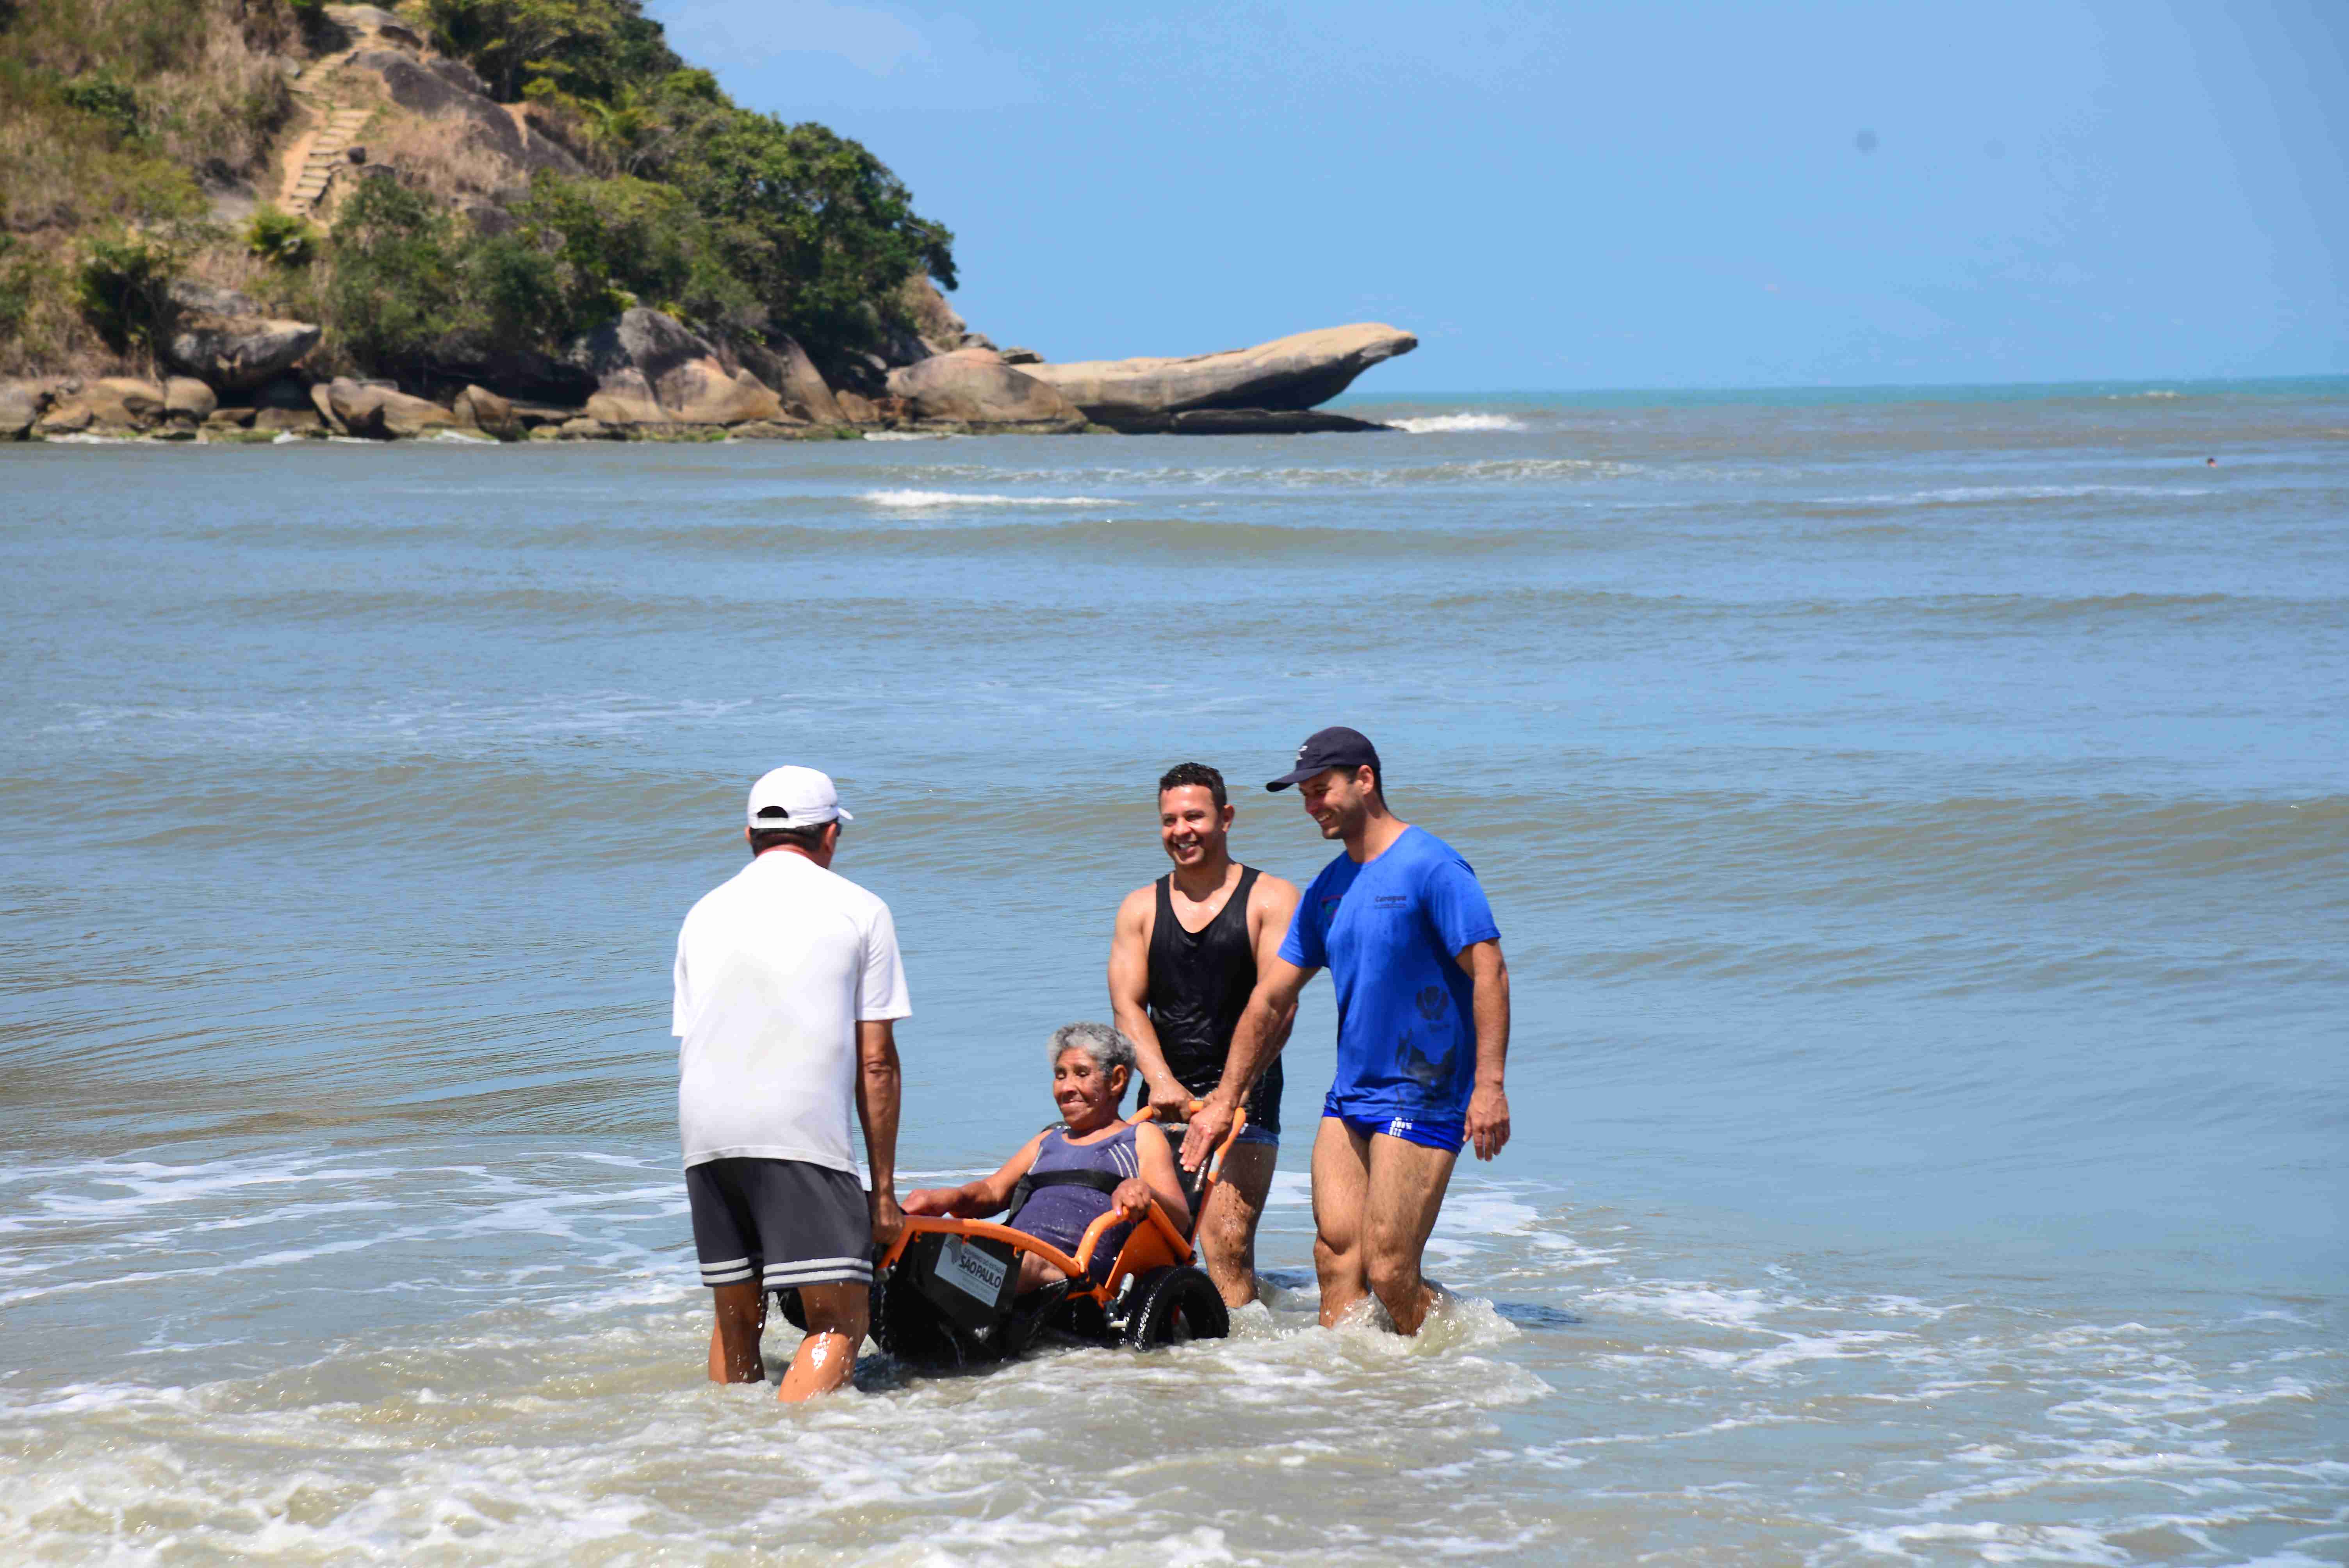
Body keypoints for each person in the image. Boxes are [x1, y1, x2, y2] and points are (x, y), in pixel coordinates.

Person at [1180, 727, 1511, 1336]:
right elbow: (1271, 999)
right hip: (1351, 1095)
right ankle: (1346, 1392)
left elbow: (1487, 967)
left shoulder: (1431, 866)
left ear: (1365, 780)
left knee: (1389, 1269)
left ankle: (1455, 1350)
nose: (1312, 807)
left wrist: (1489, 1085)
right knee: (1335, 1258)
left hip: (1425, 1092)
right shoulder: (1328, 889)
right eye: (1305, 796)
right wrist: (1225, 1102)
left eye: (1321, 790)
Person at [670, 765, 909, 1401]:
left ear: (749, 835)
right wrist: (883, 1193)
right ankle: (790, 1465)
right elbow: (877, 1061)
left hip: (705, 1133)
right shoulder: (860, 910)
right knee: (840, 1318)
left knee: (737, 1319)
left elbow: (694, 1037)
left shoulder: (702, 914)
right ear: (830, 834)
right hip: (799, 1132)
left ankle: (730, 1459)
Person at [1107, 762, 1299, 1307]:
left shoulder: (1272, 898)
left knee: (1227, 1243)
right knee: (1154, 1243)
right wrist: (1161, 1082)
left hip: (1247, 1095)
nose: (1181, 830)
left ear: (1227, 818)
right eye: (1169, 820)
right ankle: (1179, 1368)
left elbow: (1280, 1010)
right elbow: (1127, 1005)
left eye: (1195, 816)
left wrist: (1228, 1098)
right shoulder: (1140, 908)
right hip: (1164, 1098)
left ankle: (1239, 1372)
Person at [902, 1023, 1190, 1292]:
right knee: (913, 1241)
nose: (1066, 1088)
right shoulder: (1048, 1141)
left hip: (1075, 1271)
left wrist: (1145, 1192)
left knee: (992, 1262)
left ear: (1116, 1080)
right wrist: (945, 1199)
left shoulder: (1139, 1137)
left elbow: (1179, 1220)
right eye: (1060, 1075)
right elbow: (991, 1192)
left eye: (1081, 1073)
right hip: (1015, 1253)